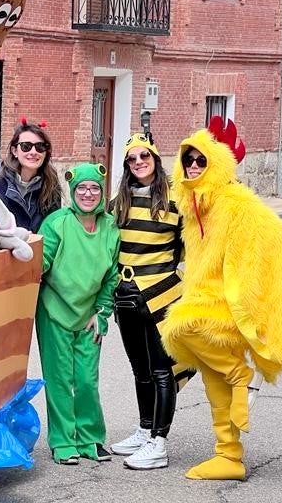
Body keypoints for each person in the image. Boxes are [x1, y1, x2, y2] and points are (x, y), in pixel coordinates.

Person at [159, 117, 282, 482]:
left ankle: (241, 374)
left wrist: (242, 293)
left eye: (202, 160)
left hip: (224, 301)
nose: (194, 166)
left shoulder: (234, 201)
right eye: (188, 160)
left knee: (181, 328)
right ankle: (228, 456)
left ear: (218, 164)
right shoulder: (195, 205)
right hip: (201, 293)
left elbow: (270, 232)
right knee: (213, 382)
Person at [107, 133, 194, 470]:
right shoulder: (121, 201)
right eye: (132, 158)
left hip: (162, 297)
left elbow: (195, 245)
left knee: (163, 370)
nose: (139, 162)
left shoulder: (177, 200)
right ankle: (145, 430)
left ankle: (159, 442)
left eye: (145, 156)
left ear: (156, 159)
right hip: (127, 298)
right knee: (140, 369)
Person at [36, 163, 120, 465]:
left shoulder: (110, 227)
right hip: (54, 310)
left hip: (89, 314)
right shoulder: (57, 223)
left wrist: (102, 311)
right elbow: (41, 261)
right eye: (82, 188)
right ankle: (62, 441)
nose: (88, 193)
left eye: (94, 188)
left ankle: (90, 438)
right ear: (73, 190)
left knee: (86, 379)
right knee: (59, 378)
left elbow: (112, 275)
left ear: (101, 192)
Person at [0, 118, 62, 233]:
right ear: (14, 151)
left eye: (40, 147)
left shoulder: (51, 183)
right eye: (26, 146)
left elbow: (54, 226)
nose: (33, 152)